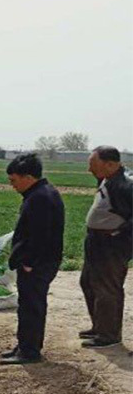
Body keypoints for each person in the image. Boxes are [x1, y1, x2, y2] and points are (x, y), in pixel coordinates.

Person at [0, 153, 65, 365]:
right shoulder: (40, 194)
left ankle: (29, 352)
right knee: (28, 305)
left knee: (32, 306)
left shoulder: (41, 198)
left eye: (14, 180)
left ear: (28, 177)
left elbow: (41, 235)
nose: (12, 185)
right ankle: (25, 345)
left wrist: (29, 263)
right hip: (39, 262)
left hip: (36, 265)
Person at [79, 145, 133, 348]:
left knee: (107, 288)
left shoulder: (126, 184)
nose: (89, 170)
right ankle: (99, 326)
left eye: (93, 165)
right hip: (96, 241)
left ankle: (108, 335)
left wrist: (119, 232)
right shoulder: (108, 179)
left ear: (111, 164)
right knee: (88, 282)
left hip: (112, 244)